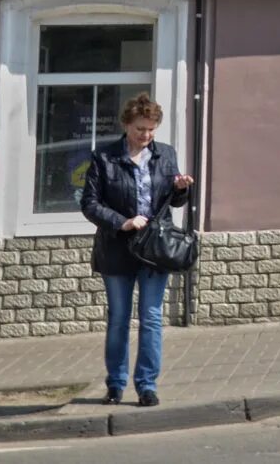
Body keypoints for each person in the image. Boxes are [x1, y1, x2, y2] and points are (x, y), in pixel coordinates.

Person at [80, 93, 193, 408]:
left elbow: (174, 202)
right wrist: (123, 222)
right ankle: (115, 384)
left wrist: (182, 189)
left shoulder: (165, 155)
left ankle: (147, 385)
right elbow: (89, 204)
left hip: (155, 250)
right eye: (140, 129)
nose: (146, 135)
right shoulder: (104, 158)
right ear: (126, 125)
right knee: (118, 318)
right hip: (117, 249)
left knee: (152, 317)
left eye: (151, 129)